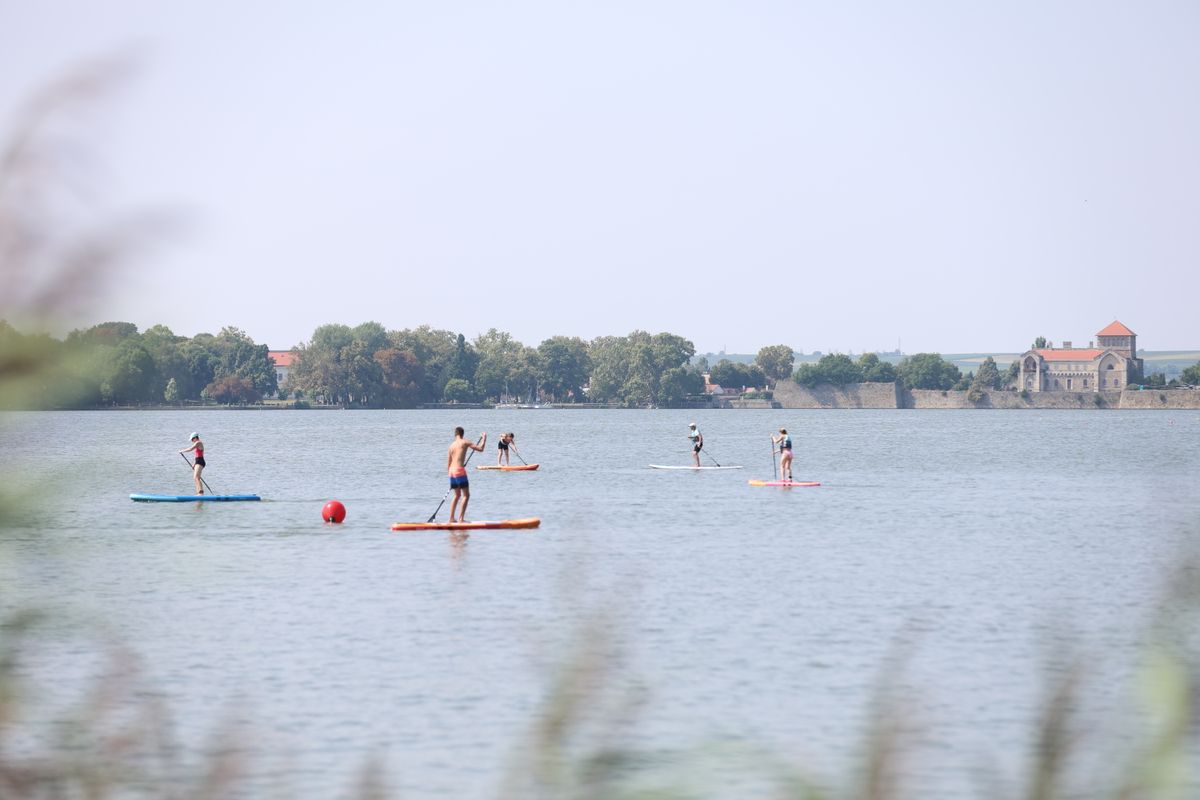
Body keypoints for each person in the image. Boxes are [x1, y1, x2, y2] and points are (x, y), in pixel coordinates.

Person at [447, 427, 486, 522]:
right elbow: (480, 449)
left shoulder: (451, 446)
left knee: (456, 495)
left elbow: (448, 463)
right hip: (459, 470)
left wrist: (452, 473)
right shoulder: (464, 442)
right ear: (462, 434)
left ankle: (451, 518)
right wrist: (484, 438)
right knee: (466, 495)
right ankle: (461, 519)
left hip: (451, 471)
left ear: (455, 434)